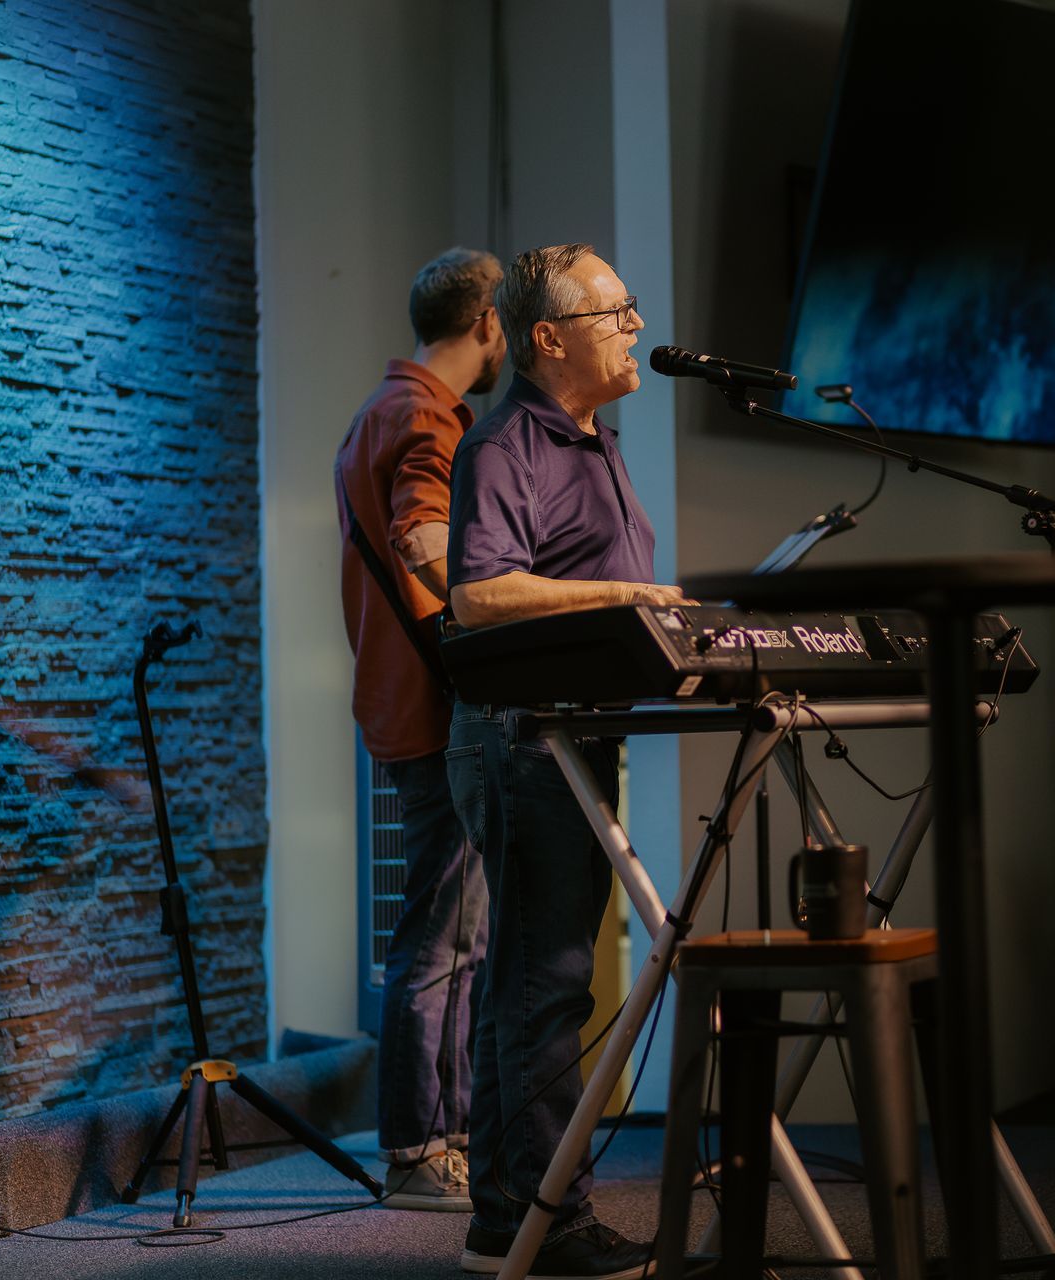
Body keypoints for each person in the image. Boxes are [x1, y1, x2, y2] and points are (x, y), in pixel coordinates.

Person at [446, 244, 688, 1278]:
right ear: (550, 337)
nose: (634, 325)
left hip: (576, 738)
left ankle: (509, 1213)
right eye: (615, 310)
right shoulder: (506, 445)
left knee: (535, 979)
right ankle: (552, 1215)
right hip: (519, 741)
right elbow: (480, 594)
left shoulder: (597, 441)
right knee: (544, 980)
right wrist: (626, 599)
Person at [335, 246, 506, 1211]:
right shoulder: (422, 419)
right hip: (437, 709)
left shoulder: (383, 408)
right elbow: (422, 537)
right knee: (442, 942)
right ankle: (417, 1153)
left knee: (450, 937)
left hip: (405, 702)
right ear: (487, 324)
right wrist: (499, 607)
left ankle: (439, 1143)